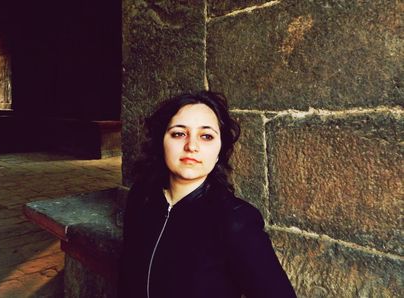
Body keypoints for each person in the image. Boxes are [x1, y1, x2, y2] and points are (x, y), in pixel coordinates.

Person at [118, 91, 296, 298]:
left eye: (206, 136)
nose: (191, 146)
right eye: (178, 133)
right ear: (161, 141)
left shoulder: (236, 220)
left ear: (219, 149)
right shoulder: (142, 196)